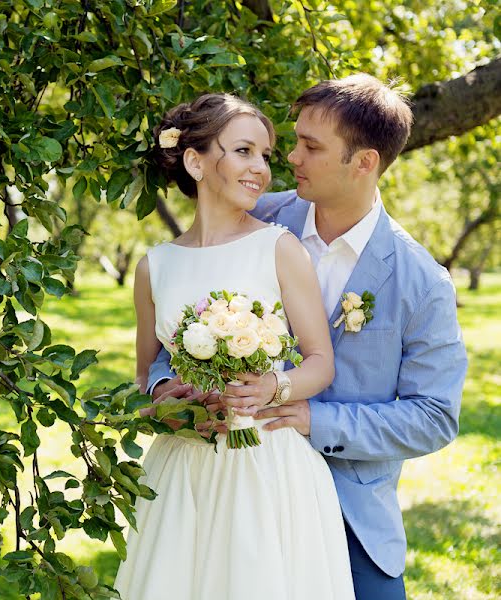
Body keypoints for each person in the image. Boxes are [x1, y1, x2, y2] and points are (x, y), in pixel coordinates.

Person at [146, 74, 468, 600]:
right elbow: (177, 325)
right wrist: (167, 390)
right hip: (236, 491)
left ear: (364, 162)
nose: (290, 157)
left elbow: (434, 416)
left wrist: (314, 419)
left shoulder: (422, 280)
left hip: (352, 516)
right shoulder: (253, 216)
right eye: (292, 141)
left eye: (310, 146)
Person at [114, 93, 354, 600]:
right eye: (244, 151)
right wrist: (172, 407)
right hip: (183, 469)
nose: (261, 169)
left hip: (265, 463)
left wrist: (273, 385)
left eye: (265, 155)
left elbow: (320, 362)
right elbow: (144, 382)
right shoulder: (153, 267)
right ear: (196, 161)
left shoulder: (279, 248)